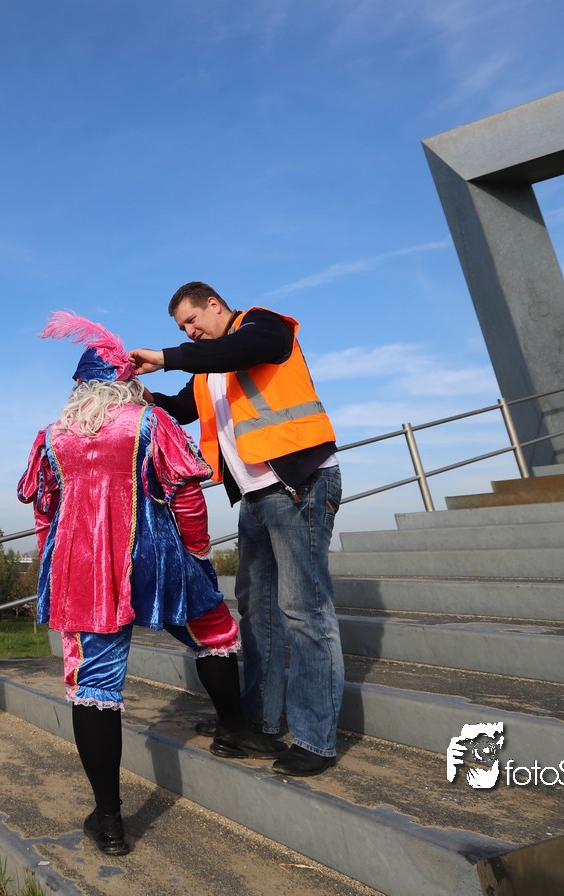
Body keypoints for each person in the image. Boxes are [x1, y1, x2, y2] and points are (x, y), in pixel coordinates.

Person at [18, 312, 252, 857]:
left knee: (93, 686)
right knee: (215, 630)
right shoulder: (150, 422)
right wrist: (198, 553)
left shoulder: (51, 437)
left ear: (79, 387)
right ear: (128, 383)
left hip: (82, 570)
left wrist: (53, 565)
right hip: (157, 557)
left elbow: (45, 514)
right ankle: (234, 728)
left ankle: (110, 820)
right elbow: (187, 497)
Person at [129, 282, 344, 777]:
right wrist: (143, 396)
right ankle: (261, 721)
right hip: (255, 495)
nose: (189, 331)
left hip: (299, 484)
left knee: (305, 611)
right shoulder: (210, 366)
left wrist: (165, 356)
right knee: (258, 608)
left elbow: (241, 350)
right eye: (181, 328)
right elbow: (183, 408)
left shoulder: (262, 326)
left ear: (214, 304)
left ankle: (315, 739)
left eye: (191, 320)